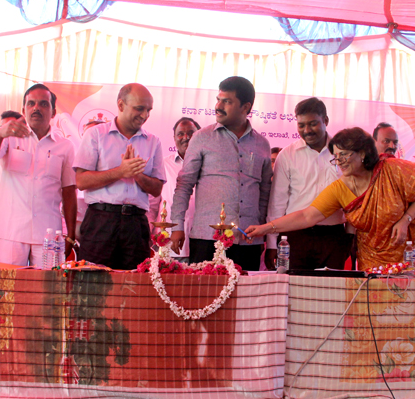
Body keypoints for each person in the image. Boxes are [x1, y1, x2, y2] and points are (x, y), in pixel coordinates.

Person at [246, 127, 415, 271]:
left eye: (344, 155)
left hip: (407, 252)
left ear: (363, 153)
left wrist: (406, 219)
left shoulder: (392, 170)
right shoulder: (341, 187)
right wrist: (264, 228)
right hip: (371, 258)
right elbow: (306, 216)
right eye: (335, 156)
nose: (339, 161)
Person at [170, 76, 273, 272]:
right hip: (207, 238)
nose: (218, 106)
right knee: (203, 290)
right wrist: (177, 227)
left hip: (248, 239)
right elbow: (184, 185)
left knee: (245, 291)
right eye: (218, 100)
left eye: (227, 101)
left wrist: (262, 231)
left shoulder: (262, 144)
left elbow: (265, 193)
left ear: (245, 107)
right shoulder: (202, 137)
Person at [0, 84, 77, 266]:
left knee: (48, 283)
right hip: (11, 231)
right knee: (9, 282)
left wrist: (70, 235)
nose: (36, 108)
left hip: (48, 233)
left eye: (43, 104)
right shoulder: (9, 137)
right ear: (23, 110)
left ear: (53, 112)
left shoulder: (65, 146)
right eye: (31, 103)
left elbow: (69, 191)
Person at [73, 83, 165, 270]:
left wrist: (137, 175)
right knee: (93, 280)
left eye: (149, 110)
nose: (145, 115)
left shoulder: (153, 141)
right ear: (121, 105)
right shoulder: (96, 135)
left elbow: (157, 189)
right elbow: (81, 181)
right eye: (139, 108)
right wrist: (120, 172)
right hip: (100, 221)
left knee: (134, 282)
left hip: (136, 224)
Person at [264, 97, 351, 270]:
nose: (307, 130)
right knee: (294, 285)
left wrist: (350, 237)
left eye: (313, 124)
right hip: (295, 236)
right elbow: (277, 203)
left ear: (325, 121)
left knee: (331, 285)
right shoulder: (287, 155)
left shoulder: (343, 153)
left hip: (333, 236)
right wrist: (272, 244)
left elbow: (353, 199)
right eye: (301, 125)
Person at [148, 117, 200, 262]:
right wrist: (147, 233)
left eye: (191, 133)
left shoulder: (210, 167)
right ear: (174, 138)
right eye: (180, 134)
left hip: (202, 244)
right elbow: (152, 205)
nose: (186, 137)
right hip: (168, 244)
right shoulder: (162, 165)